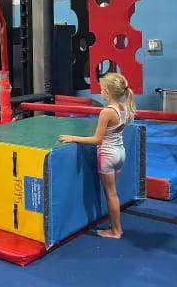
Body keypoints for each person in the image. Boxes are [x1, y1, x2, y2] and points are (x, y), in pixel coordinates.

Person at [59, 73, 135, 239]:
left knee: (111, 193)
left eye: (101, 89)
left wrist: (73, 138)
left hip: (108, 155)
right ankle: (115, 226)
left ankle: (116, 231)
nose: (100, 92)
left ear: (107, 92)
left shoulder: (107, 112)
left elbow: (96, 139)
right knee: (113, 192)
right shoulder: (125, 108)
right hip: (120, 153)